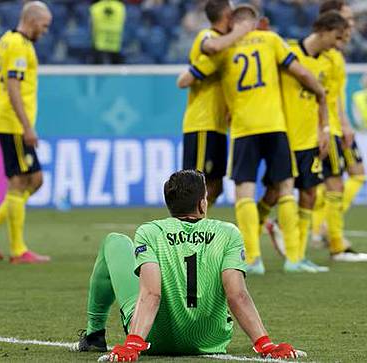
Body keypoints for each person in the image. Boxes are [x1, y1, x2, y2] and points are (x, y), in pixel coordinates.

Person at [75, 170, 302, 361]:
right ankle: (97, 336)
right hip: (211, 340)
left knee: (114, 241)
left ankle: (94, 334)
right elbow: (237, 295)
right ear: (202, 203)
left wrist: (133, 345)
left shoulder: (151, 232)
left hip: (153, 338)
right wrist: (265, 345)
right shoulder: (228, 233)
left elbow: (151, 294)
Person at [178, 5, 327, 274]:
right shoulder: (271, 40)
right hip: (274, 124)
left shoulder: (226, 49)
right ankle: (294, 258)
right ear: (256, 22)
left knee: (244, 190)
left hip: (244, 129)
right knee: (285, 187)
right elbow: (301, 72)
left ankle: (252, 259)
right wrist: (320, 92)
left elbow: (191, 73)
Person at [255, 11, 351, 273]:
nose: (337, 44)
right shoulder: (288, 51)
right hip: (283, 137)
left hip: (310, 139)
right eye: (336, 37)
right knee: (273, 194)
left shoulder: (328, 62)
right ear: (322, 29)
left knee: (309, 193)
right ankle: (249, 242)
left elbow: (324, 98)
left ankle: (296, 257)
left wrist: (325, 129)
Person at [0, 1, 52, 264]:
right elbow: (12, 86)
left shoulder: (5, 40)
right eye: (44, 25)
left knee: (34, 179)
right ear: (32, 21)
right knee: (21, 181)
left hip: (6, 119)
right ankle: (18, 250)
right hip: (16, 124)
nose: (45, 31)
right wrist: (27, 127)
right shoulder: (19, 45)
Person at [311, 1, 367, 262]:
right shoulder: (323, 54)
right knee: (332, 182)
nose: (351, 26)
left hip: (335, 125)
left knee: (348, 177)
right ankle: (326, 234)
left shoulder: (335, 53)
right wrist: (331, 125)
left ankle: (324, 230)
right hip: (327, 127)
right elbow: (324, 97)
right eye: (346, 20)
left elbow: (336, 96)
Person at [176, 0, 251, 205]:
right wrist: (241, 31)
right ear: (227, 15)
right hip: (202, 122)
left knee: (216, 184)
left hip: (219, 126)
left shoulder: (229, 46)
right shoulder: (208, 36)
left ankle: (195, 226)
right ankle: (185, 230)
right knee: (195, 184)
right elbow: (210, 47)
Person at [90, 0, 126, 64]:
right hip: (116, 44)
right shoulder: (121, 7)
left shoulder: (95, 7)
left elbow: (92, 27)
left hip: (100, 44)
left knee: (97, 71)